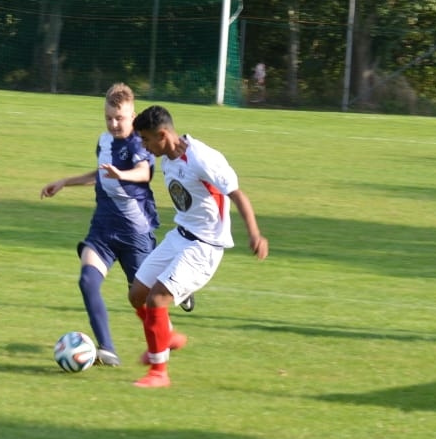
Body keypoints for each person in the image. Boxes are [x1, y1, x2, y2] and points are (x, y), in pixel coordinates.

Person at [127, 104, 268, 388]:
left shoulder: (202, 158)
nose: (144, 146)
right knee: (137, 295)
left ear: (162, 135)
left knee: (157, 300)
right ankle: (167, 336)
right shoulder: (168, 157)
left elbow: (237, 194)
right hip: (179, 236)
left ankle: (159, 372)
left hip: (204, 247)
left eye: (146, 139)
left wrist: (255, 234)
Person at [39, 83, 159, 367]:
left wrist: (122, 175)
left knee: (146, 298)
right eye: (109, 118)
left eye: (120, 118)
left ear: (133, 116)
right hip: (103, 230)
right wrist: (65, 182)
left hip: (135, 234)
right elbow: (100, 174)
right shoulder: (104, 142)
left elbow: (143, 173)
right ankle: (107, 349)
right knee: (87, 281)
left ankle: (176, 310)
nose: (114, 124)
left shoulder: (140, 143)